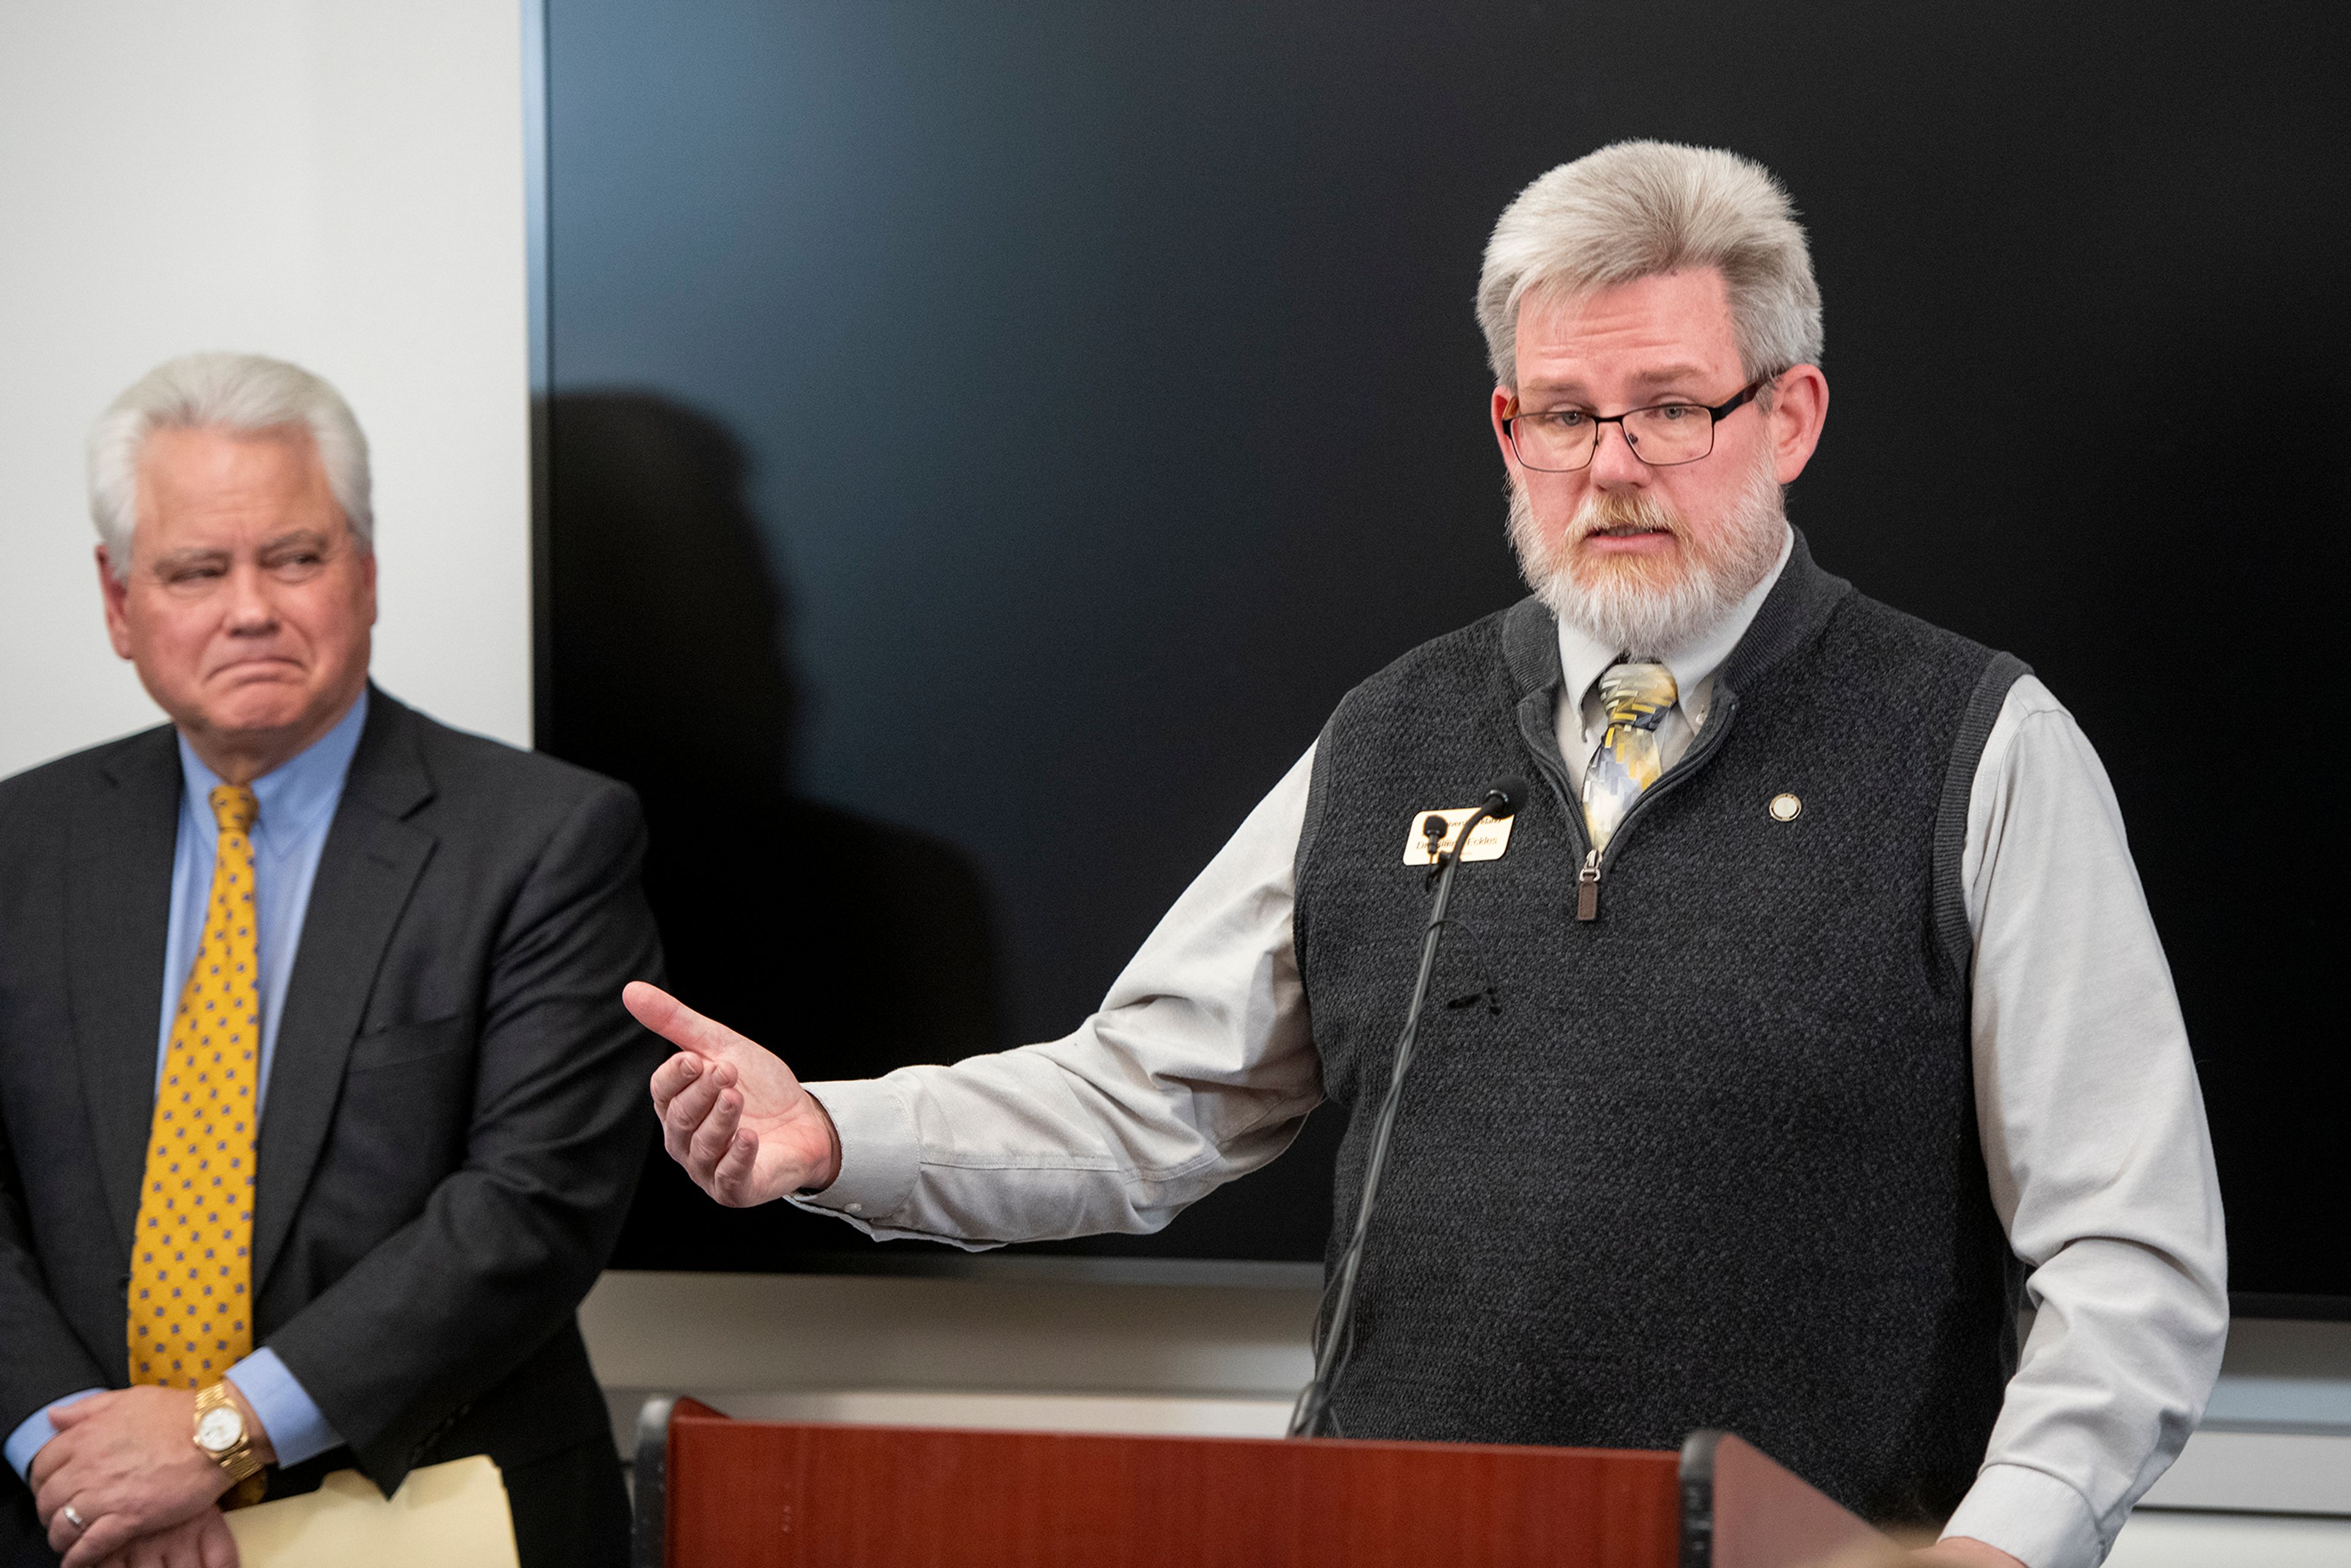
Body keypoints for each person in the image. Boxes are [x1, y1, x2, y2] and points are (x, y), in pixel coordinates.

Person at [634, 142, 2227, 1568]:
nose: (1612, 465)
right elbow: (1146, 1097)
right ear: (1505, 422)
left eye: (1672, 407)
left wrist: (1996, 1556)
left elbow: (2131, 1255)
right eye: (1563, 413)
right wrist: (829, 1133)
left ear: (1789, 412)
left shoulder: (1978, 744)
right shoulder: (1395, 730)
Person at [0, 353, 664, 1568]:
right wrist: (74, 1454)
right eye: (197, 570)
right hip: (73, 1528)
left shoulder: (545, 839)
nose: (250, 607)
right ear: (117, 601)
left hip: (424, 1521)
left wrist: (215, 1437)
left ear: (364, 568)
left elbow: (533, 1205)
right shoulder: (18, 847)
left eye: (294, 559)